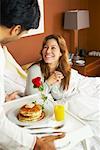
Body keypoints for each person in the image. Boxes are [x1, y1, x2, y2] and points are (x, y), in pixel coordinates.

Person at [0, 1, 64, 150]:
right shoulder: (35, 69)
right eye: (46, 47)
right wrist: (36, 144)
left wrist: (4, 99)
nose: (48, 51)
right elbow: (34, 94)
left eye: (54, 48)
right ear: (16, 29)